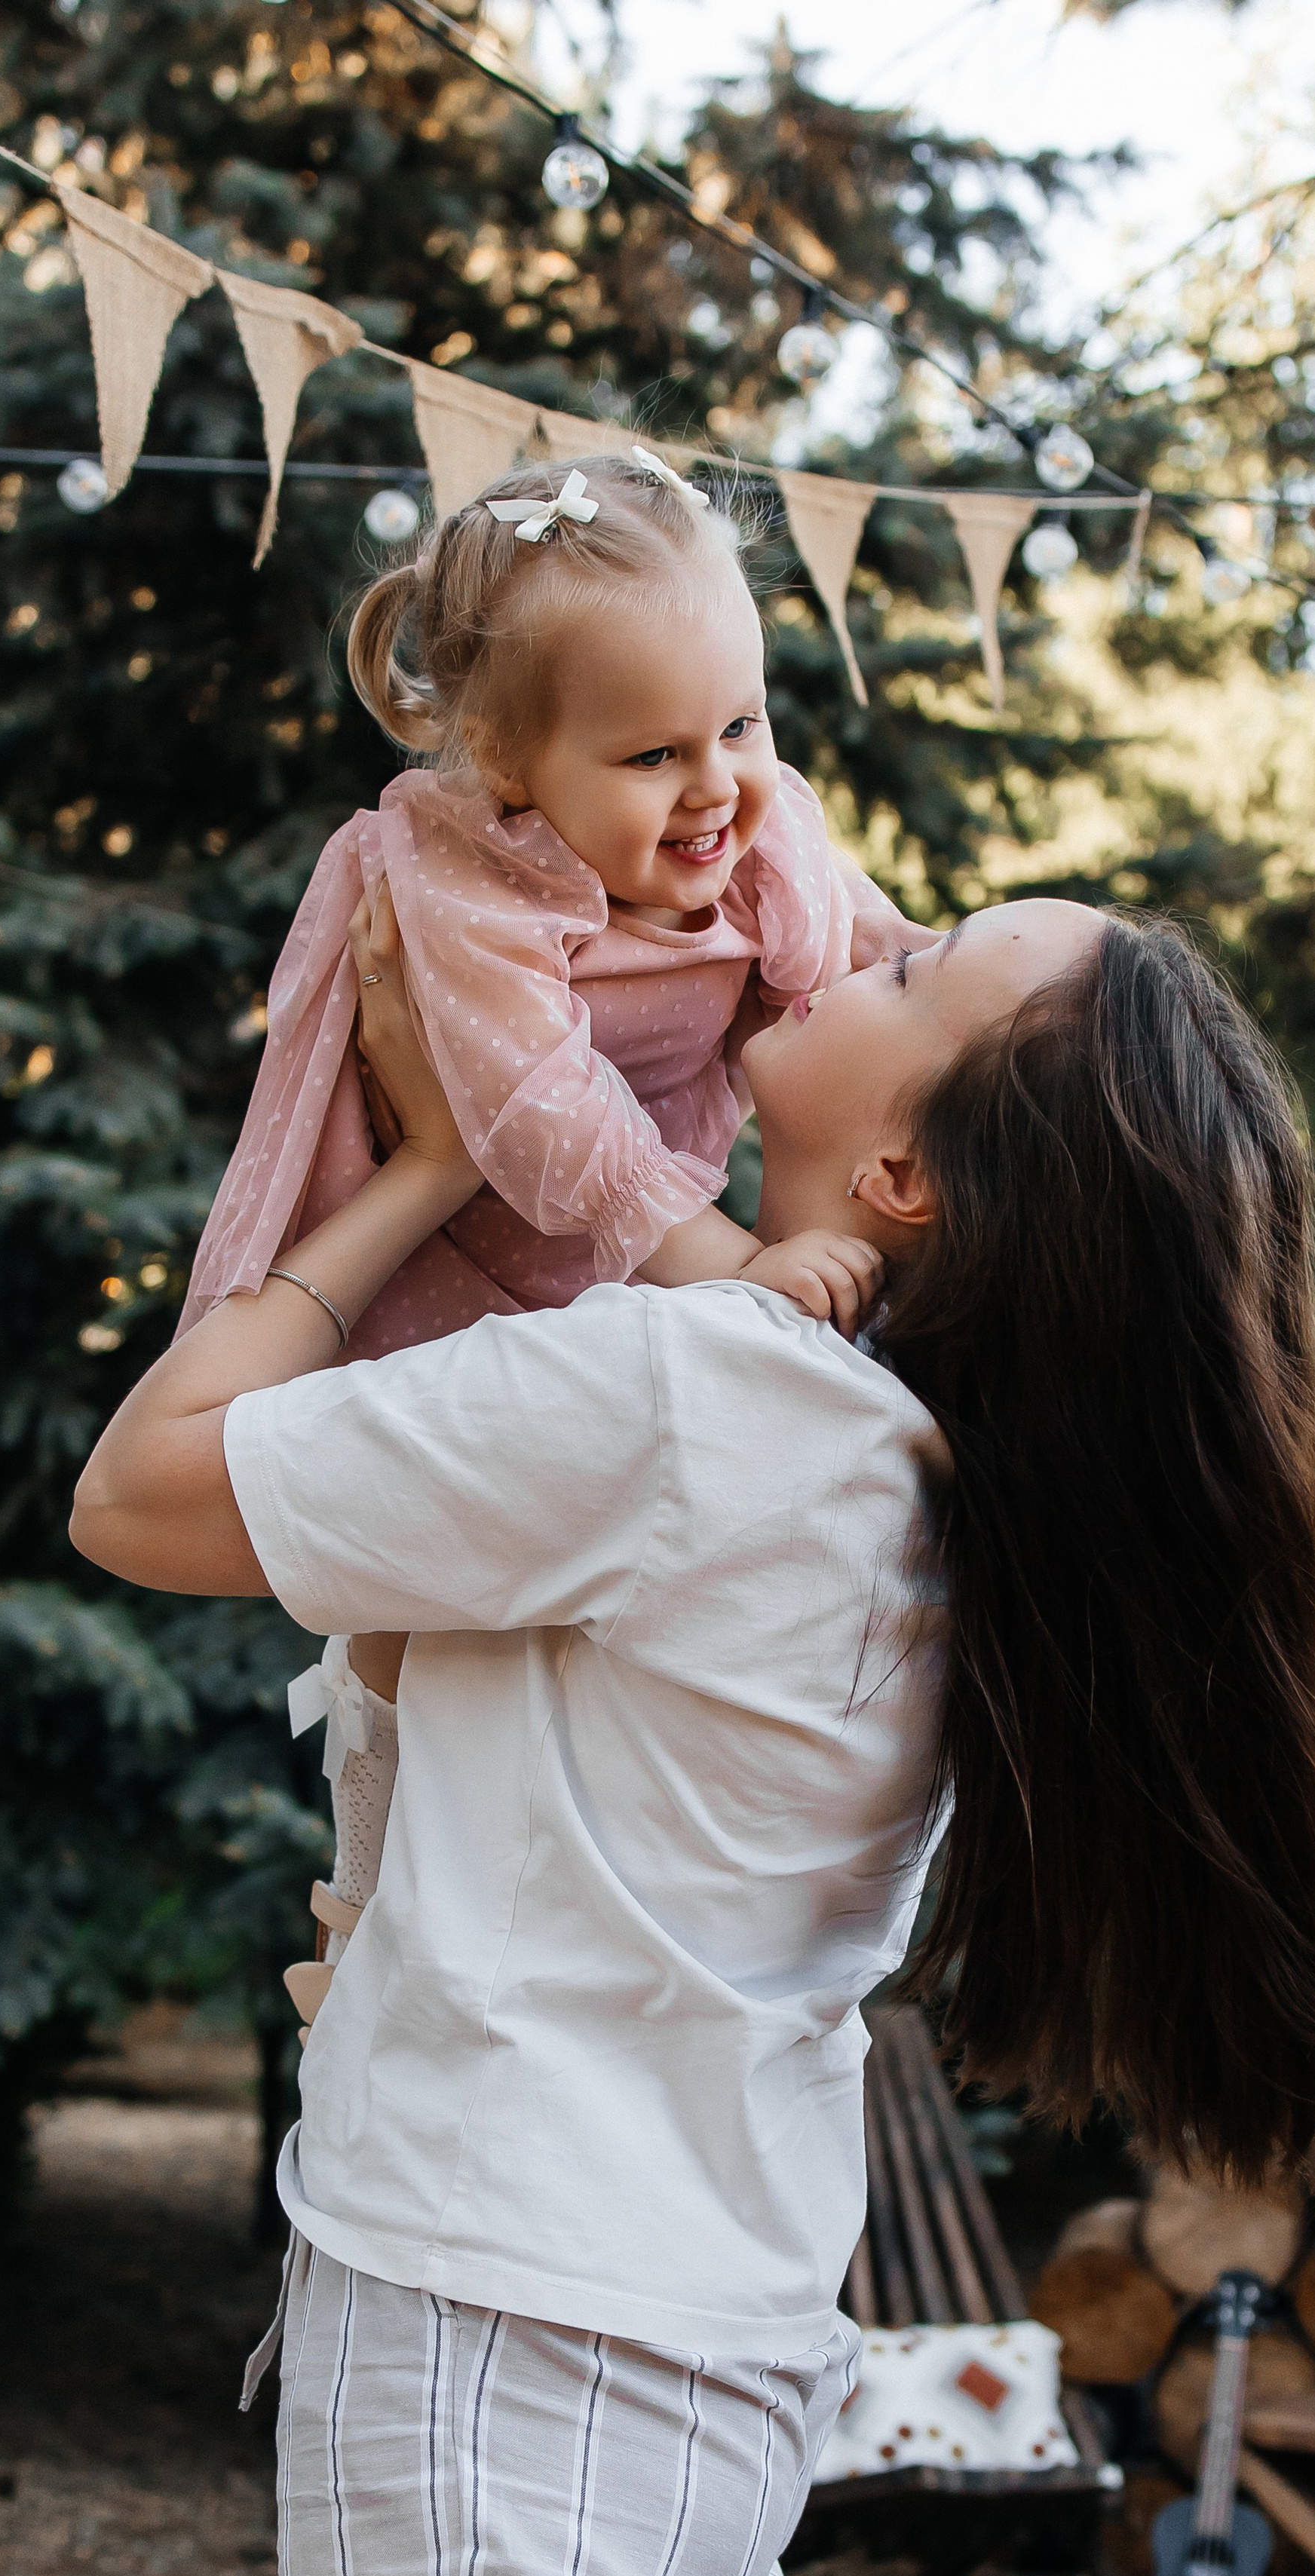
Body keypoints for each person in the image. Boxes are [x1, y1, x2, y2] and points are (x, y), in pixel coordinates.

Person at [72, 889, 1315, 2576]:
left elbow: (139, 1491)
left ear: (899, 1175)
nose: (845, 946)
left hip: (512, 2330)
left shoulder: (705, 1399)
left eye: (910, 973)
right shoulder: (900, 1465)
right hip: (696, 2340)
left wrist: (429, 1166)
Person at [182, 447, 907, 1942]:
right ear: (512, 770)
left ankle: (563, 1868)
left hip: (615, 1249)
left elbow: (856, 962)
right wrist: (715, 1261)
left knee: (578, 1564)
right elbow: (534, 1112)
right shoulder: (456, 874)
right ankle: (363, 1891)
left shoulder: (759, 818)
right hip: (451, 1229)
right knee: (398, 1595)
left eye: (740, 721)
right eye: (651, 757)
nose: (716, 785)